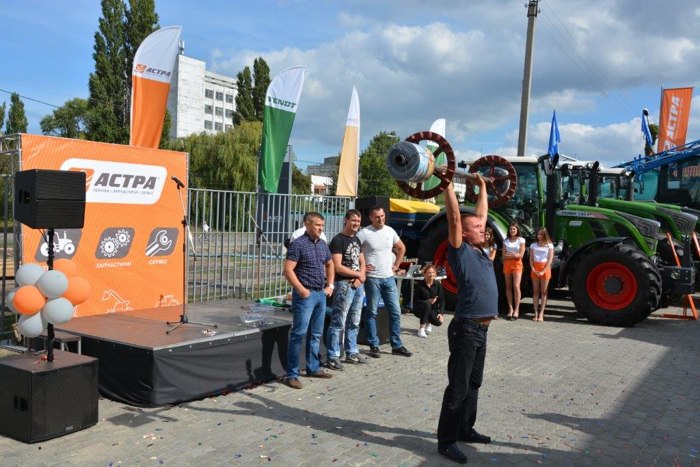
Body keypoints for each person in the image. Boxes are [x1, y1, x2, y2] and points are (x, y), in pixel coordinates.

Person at [436, 176, 495, 464]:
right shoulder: (459, 250)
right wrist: (448, 185)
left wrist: (482, 187)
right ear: (465, 233)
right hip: (466, 329)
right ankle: (446, 442)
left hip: (481, 330)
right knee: (458, 388)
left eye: (482, 227)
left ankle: (465, 429)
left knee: (474, 385)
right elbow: (455, 218)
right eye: (477, 228)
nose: (483, 229)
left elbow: (480, 214)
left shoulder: (481, 250)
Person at [282, 212, 335, 390]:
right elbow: (288, 270)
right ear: (307, 224)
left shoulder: (322, 244)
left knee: (316, 334)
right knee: (298, 334)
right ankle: (292, 374)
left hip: (320, 294)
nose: (321, 228)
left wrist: (330, 285)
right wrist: (301, 290)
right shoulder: (298, 245)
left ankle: (313, 367)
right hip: (305, 295)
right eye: (317, 225)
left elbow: (330, 264)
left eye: (322, 225)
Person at [356, 206, 412, 358]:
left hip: (389, 278)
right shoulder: (364, 233)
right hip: (372, 278)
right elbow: (353, 249)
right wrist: (361, 267)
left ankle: (396, 345)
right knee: (372, 312)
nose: (380, 219)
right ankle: (373, 345)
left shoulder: (390, 231)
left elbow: (401, 248)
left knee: (395, 312)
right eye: (377, 217)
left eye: (382, 216)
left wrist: (396, 265)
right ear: (371, 218)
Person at [325, 209, 366, 370]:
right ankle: (333, 355)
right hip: (344, 285)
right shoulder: (338, 240)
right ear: (346, 220)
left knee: (354, 320)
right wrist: (358, 275)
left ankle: (352, 351)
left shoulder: (356, 239)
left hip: (357, 285)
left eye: (358, 221)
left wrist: (360, 277)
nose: (356, 224)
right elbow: (337, 266)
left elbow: (362, 261)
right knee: (338, 321)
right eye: (353, 220)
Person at [529, 227, 554, 322]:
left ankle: (541, 313)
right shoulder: (533, 245)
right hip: (535, 267)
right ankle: (535, 313)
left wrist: (543, 270)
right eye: (538, 234)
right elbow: (531, 258)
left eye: (541, 234)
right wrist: (533, 268)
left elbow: (550, 259)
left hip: (545, 267)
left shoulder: (549, 245)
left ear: (545, 235)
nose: (539, 236)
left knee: (544, 292)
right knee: (535, 291)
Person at [413, 264, 444, 338]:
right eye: (429, 272)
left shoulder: (438, 285)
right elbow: (415, 301)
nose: (431, 274)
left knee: (438, 322)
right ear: (424, 274)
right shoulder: (420, 285)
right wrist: (427, 301)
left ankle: (428, 322)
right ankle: (421, 329)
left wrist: (441, 313)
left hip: (432, 309)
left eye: (433, 272)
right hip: (420, 309)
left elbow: (442, 300)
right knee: (427, 304)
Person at [502, 222, 525, 320]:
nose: (512, 231)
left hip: (517, 264)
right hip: (507, 264)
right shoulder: (506, 241)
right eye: (511, 229)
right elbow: (503, 255)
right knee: (508, 286)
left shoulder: (521, 240)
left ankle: (517, 309)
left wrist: (510, 255)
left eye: (514, 229)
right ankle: (510, 309)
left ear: (517, 230)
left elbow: (520, 255)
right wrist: (514, 255)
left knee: (516, 286)